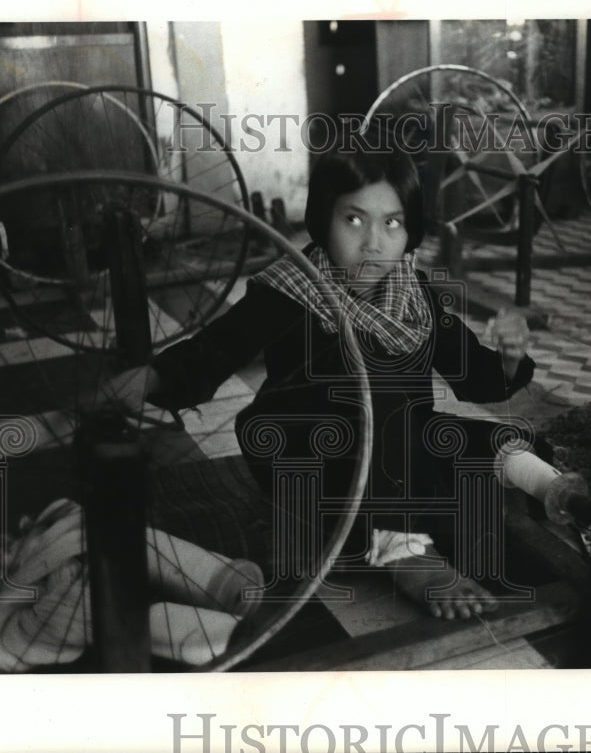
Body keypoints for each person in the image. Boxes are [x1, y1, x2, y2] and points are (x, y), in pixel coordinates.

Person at [105, 139, 552, 620]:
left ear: (411, 230)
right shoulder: (290, 289)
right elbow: (213, 350)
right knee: (377, 391)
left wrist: (508, 356)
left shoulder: (415, 294)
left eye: (392, 223)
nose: (373, 243)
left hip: (392, 459)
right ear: (322, 220)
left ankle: (554, 490)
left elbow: (479, 382)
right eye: (353, 220)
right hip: (305, 455)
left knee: (495, 440)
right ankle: (402, 549)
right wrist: (148, 378)